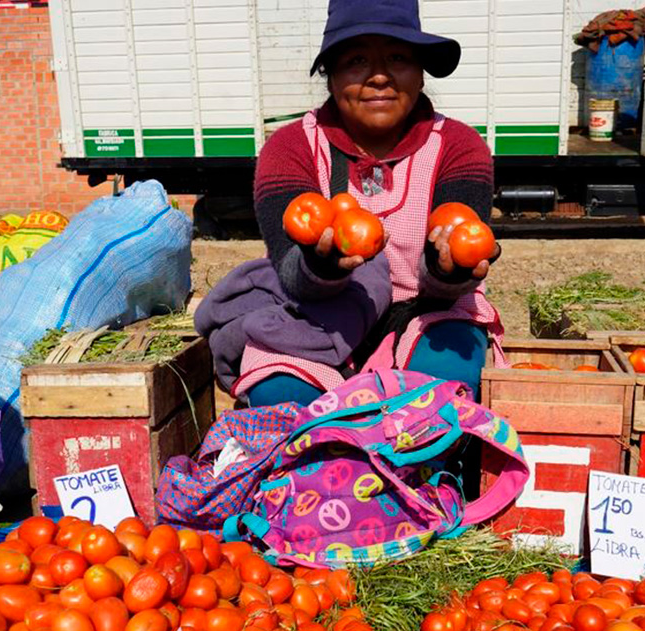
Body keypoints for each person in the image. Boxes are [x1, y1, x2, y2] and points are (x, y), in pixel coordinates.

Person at [195, 0, 504, 408]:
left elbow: (460, 246)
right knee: (282, 396)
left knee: (445, 390)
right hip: (317, 316)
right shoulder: (290, 148)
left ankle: (430, 471)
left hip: (432, 312)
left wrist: (451, 270)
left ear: (421, 73)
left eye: (398, 57)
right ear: (330, 76)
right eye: (357, 60)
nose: (379, 76)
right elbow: (291, 271)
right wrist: (320, 267)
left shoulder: (459, 146)